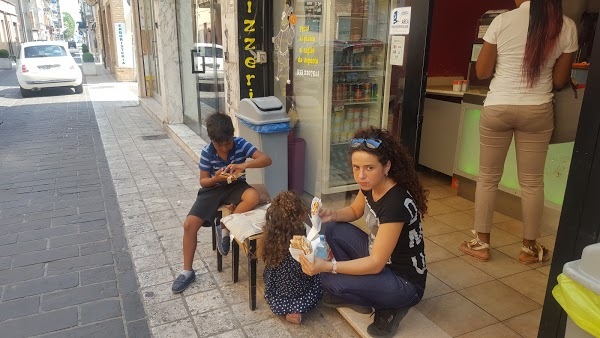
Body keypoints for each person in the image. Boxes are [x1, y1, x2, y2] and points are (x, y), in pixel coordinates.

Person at [460, 0, 578, 263]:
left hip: (498, 107)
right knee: (532, 183)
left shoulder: (502, 21)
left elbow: (482, 71)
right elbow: (559, 81)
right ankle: (529, 249)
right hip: (537, 110)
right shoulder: (566, 25)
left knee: (488, 177)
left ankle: (480, 244)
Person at [299, 127, 428, 337]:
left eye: (369, 168)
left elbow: (376, 263)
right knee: (332, 228)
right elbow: (355, 210)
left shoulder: (395, 202)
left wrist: (329, 266)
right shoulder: (370, 184)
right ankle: (361, 290)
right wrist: (331, 214)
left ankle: (390, 306)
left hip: (404, 282)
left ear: (387, 166)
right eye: (356, 167)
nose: (361, 175)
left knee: (328, 279)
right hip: (381, 261)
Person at [171, 113, 272, 293]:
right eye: (220, 145)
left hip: (236, 186)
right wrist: (215, 178)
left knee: (253, 196)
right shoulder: (206, 152)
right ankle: (187, 271)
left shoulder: (240, 144)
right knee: (189, 224)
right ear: (212, 141)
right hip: (212, 189)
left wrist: (244, 166)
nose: (225, 149)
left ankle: (224, 227)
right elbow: (203, 182)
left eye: (228, 143)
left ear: (233, 135)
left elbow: (266, 159)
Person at [261, 191, 322, 324]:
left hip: (277, 293)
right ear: (298, 217)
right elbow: (307, 266)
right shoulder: (299, 240)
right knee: (319, 278)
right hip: (299, 287)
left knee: (276, 274)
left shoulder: (272, 237)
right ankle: (295, 308)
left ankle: (288, 309)